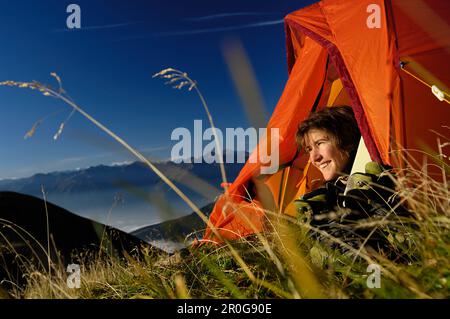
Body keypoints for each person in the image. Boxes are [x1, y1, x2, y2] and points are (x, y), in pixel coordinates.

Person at [290, 106, 404, 253]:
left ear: (346, 139)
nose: (314, 158)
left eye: (320, 143)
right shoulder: (327, 195)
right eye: (309, 149)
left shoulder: (386, 175)